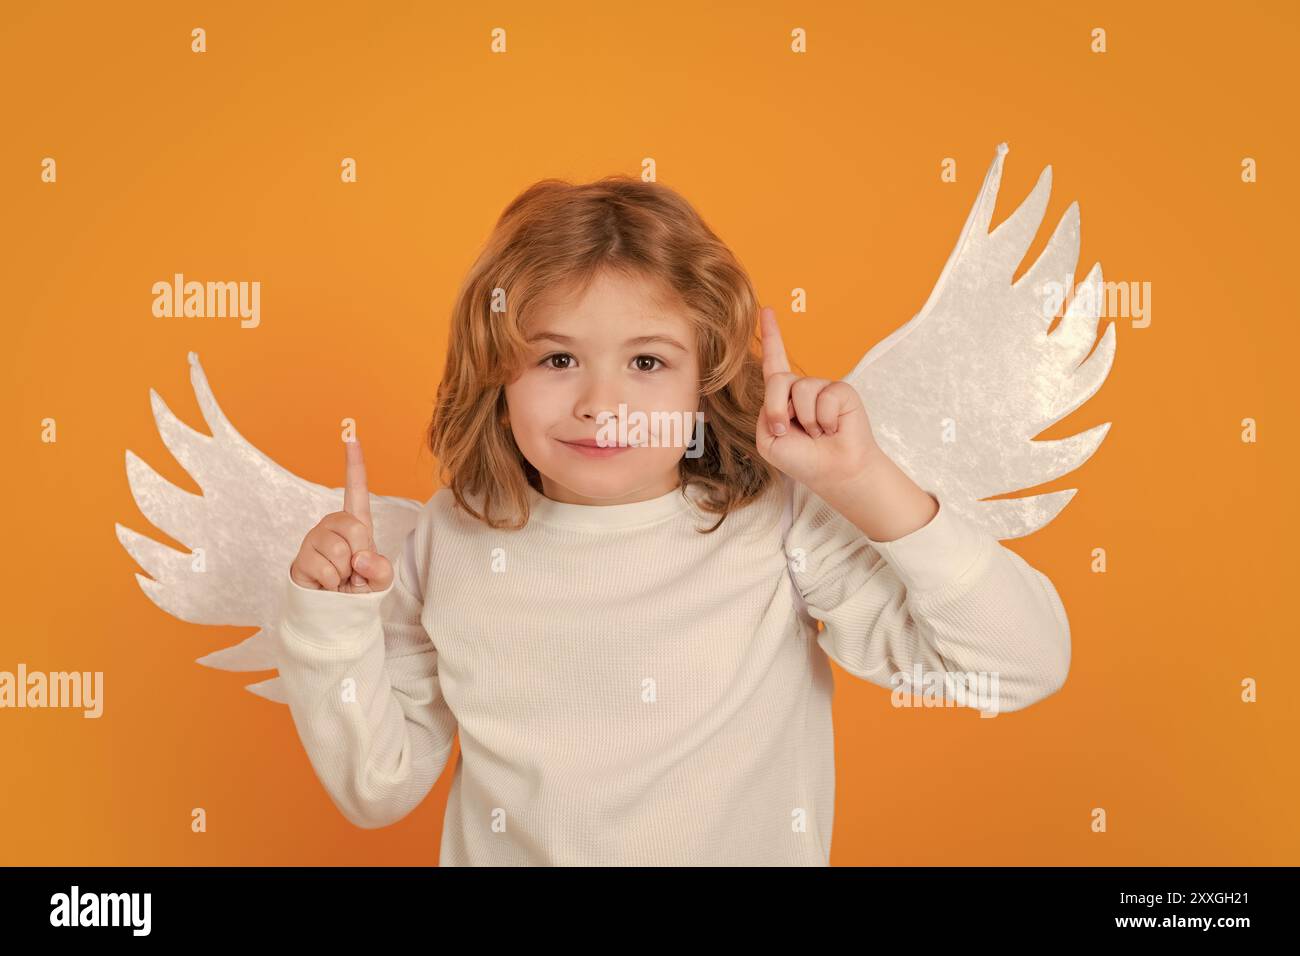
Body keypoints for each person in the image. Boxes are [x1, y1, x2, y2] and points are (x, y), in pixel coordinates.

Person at [277, 176, 1071, 865]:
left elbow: (1024, 664)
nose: (600, 404)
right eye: (557, 360)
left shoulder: (777, 523)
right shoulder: (446, 542)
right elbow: (375, 789)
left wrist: (865, 482)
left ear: (707, 378)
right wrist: (332, 624)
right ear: (497, 375)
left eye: (647, 362)